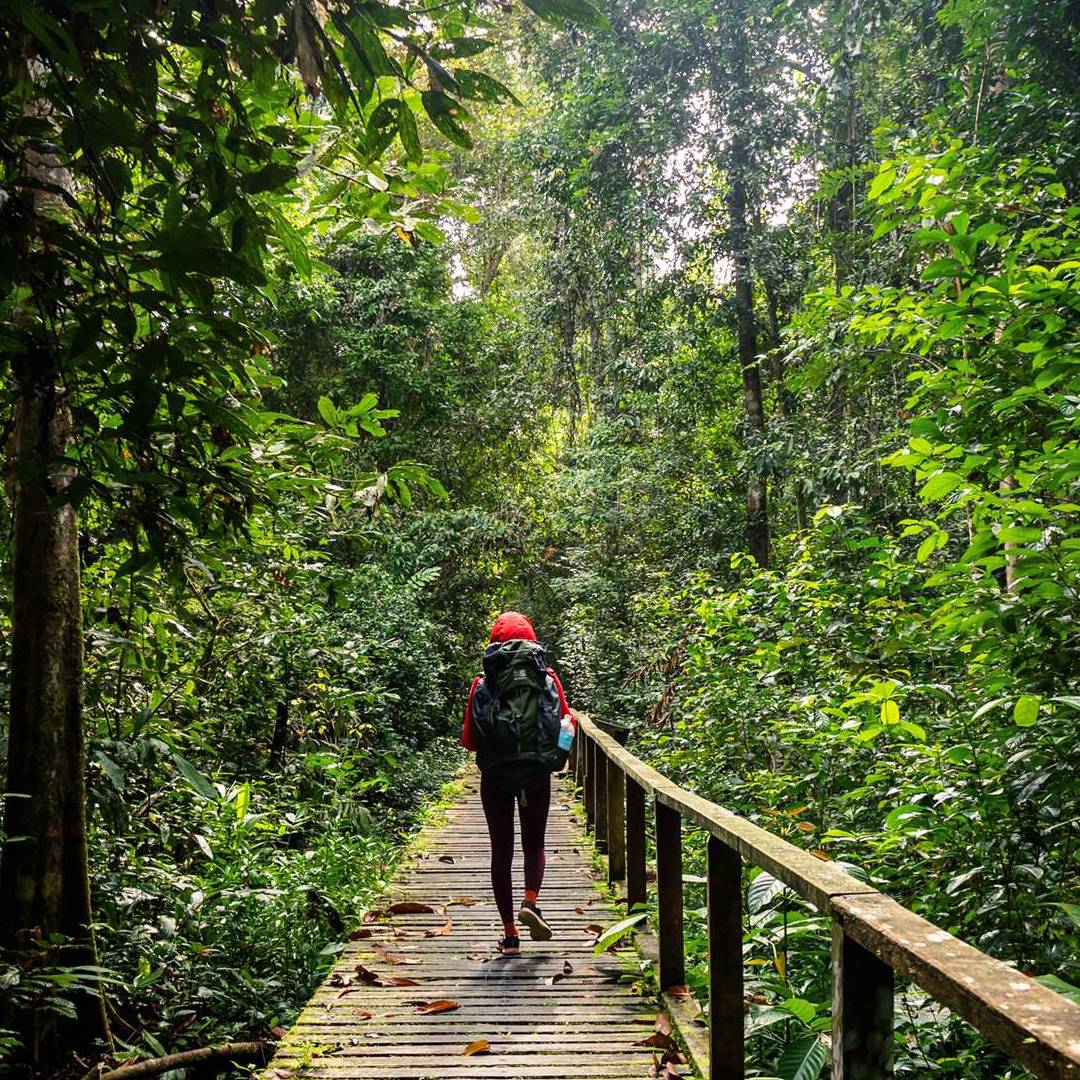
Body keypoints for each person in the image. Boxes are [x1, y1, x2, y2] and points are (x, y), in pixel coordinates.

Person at [462, 611, 576, 956]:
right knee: (534, 844)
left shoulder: (483, 682)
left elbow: (470, 739)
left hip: (496, 775)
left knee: (501, 851)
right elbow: (565, 722)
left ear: (494, 642)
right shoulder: (547, 678)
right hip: (536, 772)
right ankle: (531, 901)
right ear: (532, 639)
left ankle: (510, 935)